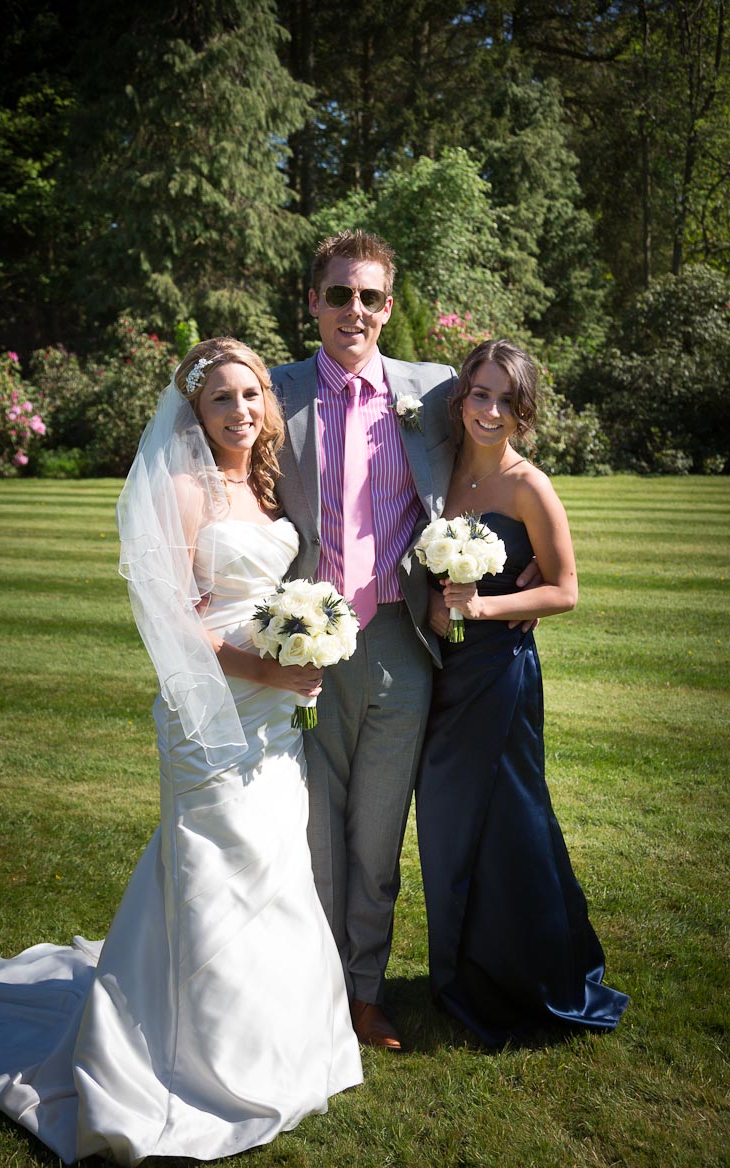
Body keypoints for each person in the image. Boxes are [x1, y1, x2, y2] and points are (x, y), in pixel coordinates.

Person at [0, 337, 362, 1164]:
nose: (240, 410)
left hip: (274, 715)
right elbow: (174, 619)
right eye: (221, 398)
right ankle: (182, 1052)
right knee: (213, 861)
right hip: (210, 705)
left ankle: (282, 1041)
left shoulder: (266, 483)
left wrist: (304, 645)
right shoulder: (182, 489)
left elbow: (269, 594)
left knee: (274, 860)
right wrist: (267, 666)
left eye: (251, 394)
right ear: (194, 411)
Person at [272, 229, 541, 1051]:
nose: (354, 310)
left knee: (378, 837)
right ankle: (312, 986)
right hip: (307, 649)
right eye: (339, 294)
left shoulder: (431, 391)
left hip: (401, 646)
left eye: (370, 296)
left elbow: (500, 444)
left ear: (389, 307)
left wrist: (521, 569)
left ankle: (364, 992)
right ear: (314, 302)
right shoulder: (273, 392)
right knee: (314, 835)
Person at [416, 337, 629, 1047]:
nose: (491, 410)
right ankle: (462, 972)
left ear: (523, 410)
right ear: (461, 399)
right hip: (440, 676)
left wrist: (480, 607)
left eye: (507, 400)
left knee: (510, 823)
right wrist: (434, 607)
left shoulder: (528, 486)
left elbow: (564, 590)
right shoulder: (438, 472)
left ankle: (532, 976)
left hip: (499, 675)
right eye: (480, 394)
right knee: (447, 826)